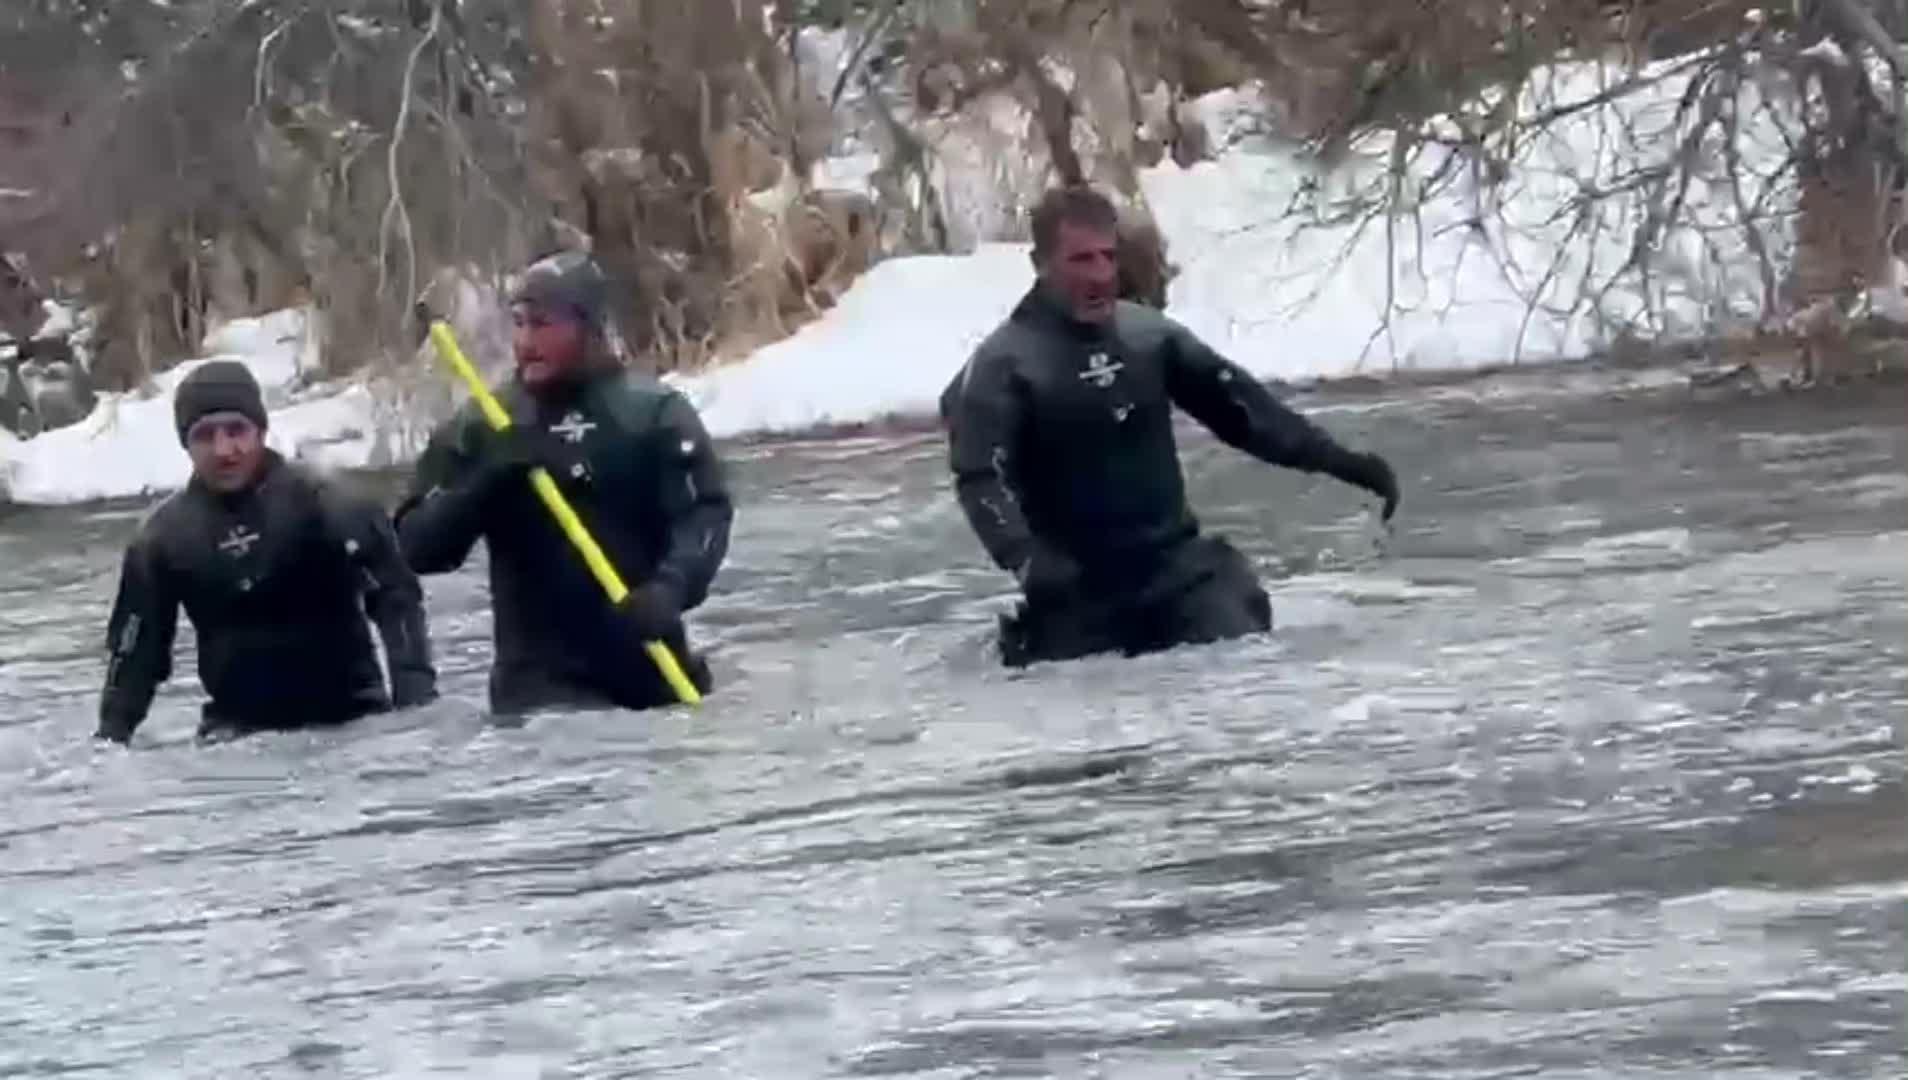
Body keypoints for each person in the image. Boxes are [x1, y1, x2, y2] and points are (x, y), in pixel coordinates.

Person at [939, 184, 1402, 668]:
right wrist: (1025, 558)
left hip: (1178, 575)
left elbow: (1244, 413)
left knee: (1248, 669)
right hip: (1078, 588)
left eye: (1108, 257)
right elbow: (979, 477)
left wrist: (1343, 462)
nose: (1100, 276)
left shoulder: (1149, 337)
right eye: (1080, 260)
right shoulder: (1004, 364)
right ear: (1040, 264)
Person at [394, 251, 733, 716]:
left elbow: (705, 516)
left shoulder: (653, 414)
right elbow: (416, 548)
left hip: (651, 670)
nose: (526, 341)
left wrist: (671, 589)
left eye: (543, 324)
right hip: (537, 691)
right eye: (518, 323)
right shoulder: (483, 426)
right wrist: (488, 480)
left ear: (589, 327)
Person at [96, 361, 440, 744]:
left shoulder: (330, 502)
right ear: (185, 444)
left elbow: (397, 600)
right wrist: (109, 739)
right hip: (235, 740)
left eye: (236, 430)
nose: (224, 450)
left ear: (261, 430)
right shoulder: (162, 538)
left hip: (352, 723)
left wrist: (416, 704)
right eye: (205, 436)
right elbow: (134, 658)